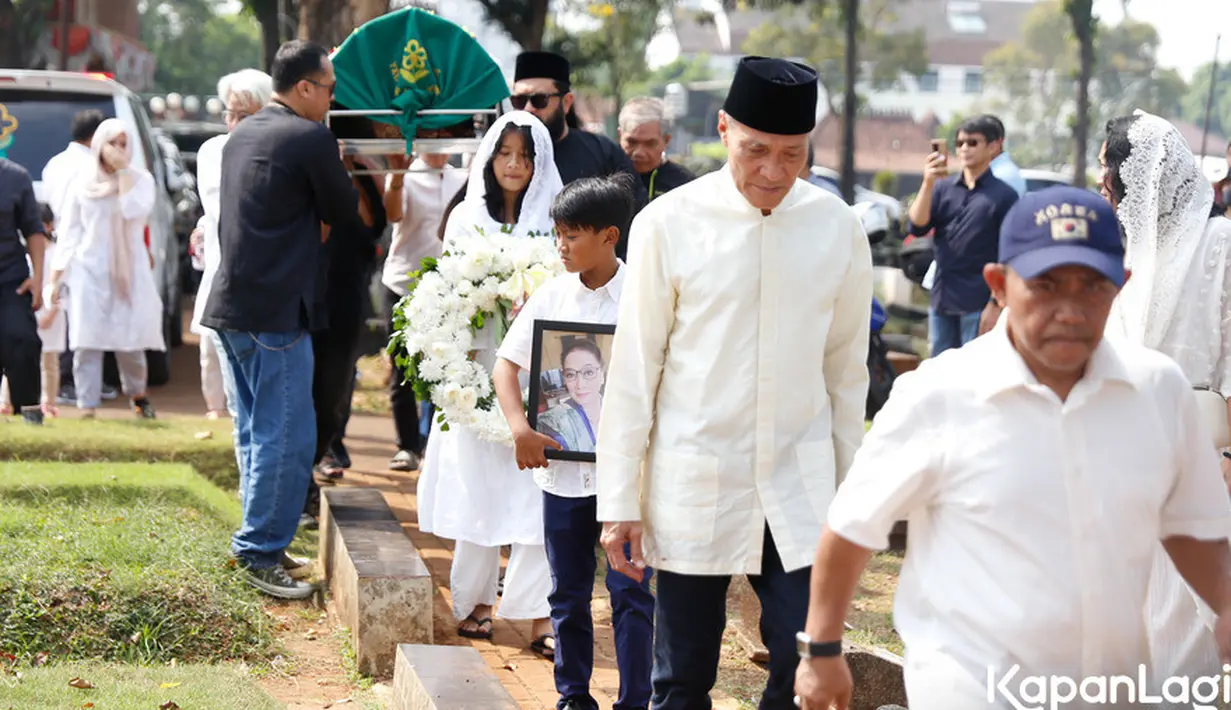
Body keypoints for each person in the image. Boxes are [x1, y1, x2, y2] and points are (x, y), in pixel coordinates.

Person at [794, 186, 1231, 710]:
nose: (1069, 310)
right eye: (1045, 286)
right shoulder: (940, 395)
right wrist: (821, 650)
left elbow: (1190, 524)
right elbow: (850, 527)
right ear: (999, 285)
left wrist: (1225, 606)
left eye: (1092, 287)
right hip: (972, 686)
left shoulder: (1158, 391)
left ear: (1122, 285)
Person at [595, 56, 872, 710]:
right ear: (723, 130)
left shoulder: (838, 228)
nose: (773, 171)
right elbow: (635, 369)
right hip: (697, 476)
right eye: (756, 151)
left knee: (803, 660)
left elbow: (845, 375)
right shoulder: (667, 223)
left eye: (792, 154)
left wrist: (853, 498)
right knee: (682, 675)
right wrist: (618, 499)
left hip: (800, 481)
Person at [201, 39, 359, 600]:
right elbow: (345, 212)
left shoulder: (243, 133)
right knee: (287, 437)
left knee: (255, 432)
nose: (333, 99)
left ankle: (262, 541)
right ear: (305, 88)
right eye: (330, 89)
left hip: (231, 305)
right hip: (274, 313)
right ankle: (258, 551)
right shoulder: (310, 137)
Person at [493, 173, 654, 710]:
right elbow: (505, 367)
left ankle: (634, 701)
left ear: (609, 236)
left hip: (627, 478)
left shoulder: (644, 298)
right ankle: (573, 697)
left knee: (632, 591)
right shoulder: (553, 294)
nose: (561, 246)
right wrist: (520, 428)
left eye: (572, 235)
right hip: (563, 476)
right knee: (567, 592)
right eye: (558, 234)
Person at [417, 110, 561, 652]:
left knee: (536, 490)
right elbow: (445, 291)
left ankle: (539, 614)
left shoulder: (555, 215)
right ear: (489, 158)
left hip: (537, 371)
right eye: (505, 154)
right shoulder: (465, 217)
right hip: (474, 371)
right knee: (476, 485)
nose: (514, 165)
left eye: (525, 156)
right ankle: (477, 602)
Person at [1097, 111, 1231, 684]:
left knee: (1186, 622)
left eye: (1107, 169)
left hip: (1204, 458)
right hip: (1126, 463)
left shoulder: (1222, 242)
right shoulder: (1133, 251)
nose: (1102, 183)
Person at [49, 118, 161, 419]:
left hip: (129, 271)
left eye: (124, 144)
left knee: (130, 340)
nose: (118, 150)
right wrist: (56, 277)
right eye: (113, 143)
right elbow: (70, 231)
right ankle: (87, 405)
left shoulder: (141, 181)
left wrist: (123, 172)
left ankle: (138, 395)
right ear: (99, 144)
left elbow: (132, 211)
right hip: (90, 270)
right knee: (86, 340)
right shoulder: (82, 182)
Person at [382, 121, 471, 472]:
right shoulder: (405, 176)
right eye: (430, 136)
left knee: (444, 367)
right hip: (404, 284)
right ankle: (407, 446)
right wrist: (397, 176)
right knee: (403, 368)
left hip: (448, 289)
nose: (438, 144)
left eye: (445, 136)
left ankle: (433, 444)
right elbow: (393, 213)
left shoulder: (463, 178)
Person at [310, 109, 388, 481]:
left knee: (339, 379)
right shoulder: (310, 170)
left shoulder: (365, 175)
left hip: (348, 291)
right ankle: (316, 454)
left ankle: (331, 440)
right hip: (311, 292)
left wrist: (356, 170)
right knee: (311, 378)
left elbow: (376, 223)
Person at [192, 69, 273, 421]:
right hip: (225, 274)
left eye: (246, 115)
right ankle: (220, 413)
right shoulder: (214, 151)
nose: (236, 123)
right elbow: (225, 208)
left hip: (268, 281)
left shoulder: (280, 150)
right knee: (216, 354)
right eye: (231, 113)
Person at [511, 51, 647, 259]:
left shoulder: (603, 153)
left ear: (566, 102)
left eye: (539, 100)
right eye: (519, 101)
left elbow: (634, 221)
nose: (528, 109)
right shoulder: (499, 160)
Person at [909, 114, 1019, 356]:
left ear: (993, 147)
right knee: (940, 368)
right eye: (959, 143)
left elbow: (1010, 253)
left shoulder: (1005, 196)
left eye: (972, 142)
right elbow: (917, 226)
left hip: (979, 301)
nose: (964, 149)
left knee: (977, 368)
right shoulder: (942, 188)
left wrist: (995, 303)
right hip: (943, 298)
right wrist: (927, 183)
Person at [0, 202, 59, 417]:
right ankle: (5, 401)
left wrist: (52, 311)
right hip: (25, 312)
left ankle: (44, 404)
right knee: (11, 356)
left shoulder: (54, 254)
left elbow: (61, 288)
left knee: (45, 361)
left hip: (45, 314)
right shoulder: (21, 256)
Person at [617, 97, 695, 202]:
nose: (639, 152)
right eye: (632, 142)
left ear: (666, 141)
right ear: (620, 135)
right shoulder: (602, 176)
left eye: (650, 144)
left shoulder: (685, 186)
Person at [537, 338, 606, 453]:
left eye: (588, 372)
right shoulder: (554, 422)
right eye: (570, 375)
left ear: (602, 376)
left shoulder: (620, 412)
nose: (580, 385)